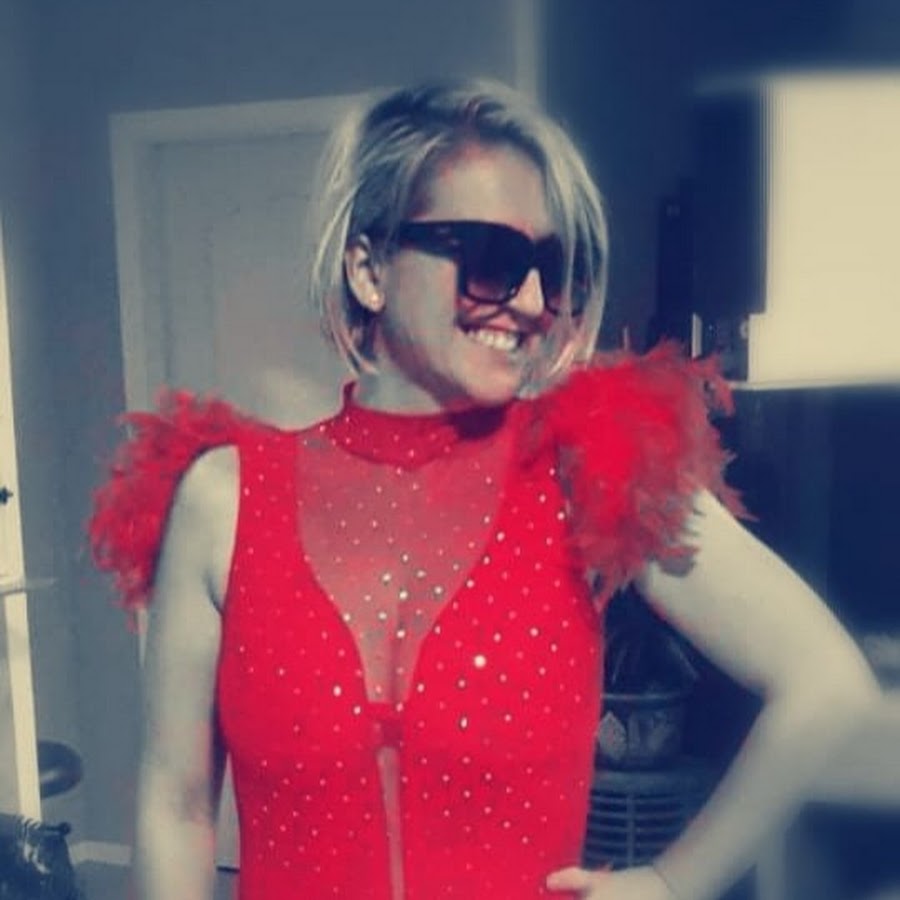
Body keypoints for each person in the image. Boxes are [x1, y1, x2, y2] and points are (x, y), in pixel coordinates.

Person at [90, 78, 877, 900]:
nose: (533, 303)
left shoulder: (588, 472)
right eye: (493, 261)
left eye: (550, 268)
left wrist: (670, 881)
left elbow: (825, 683)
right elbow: (177, 805)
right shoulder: (225, 501)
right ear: (369, 269)